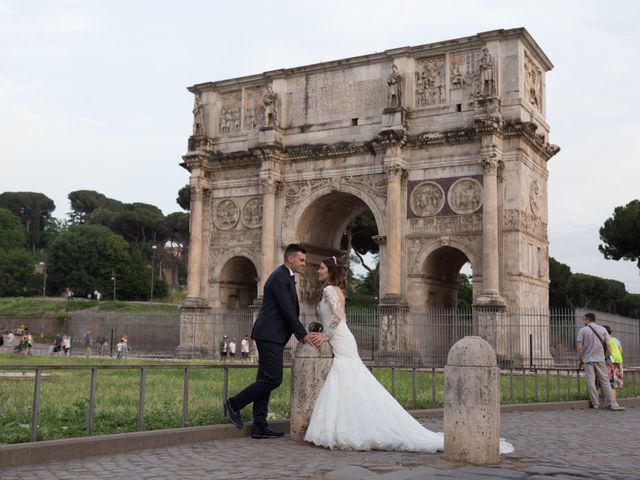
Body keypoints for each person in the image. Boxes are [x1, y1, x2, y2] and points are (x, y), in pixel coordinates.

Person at [304, 256, 513, 453]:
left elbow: (337, 316)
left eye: (321, 267)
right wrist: (325, 332)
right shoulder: (336, 289)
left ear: (330, 271)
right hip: (343, 339)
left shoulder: (330, 290)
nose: (318, 270)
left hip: (341, 339)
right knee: (351, 382)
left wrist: (325, 336)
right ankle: (349, 425)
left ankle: (344, 426)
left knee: (347, 380)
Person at [224, 243, 322, 438]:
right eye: (301, 260)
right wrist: (302, 334)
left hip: (272, 335)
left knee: (264, 379)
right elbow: (287, 309)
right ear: (290, 259)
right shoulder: (279, 277)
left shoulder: (285, 277)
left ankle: (259, 426)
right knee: (273, 379)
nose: (304, 263)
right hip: (269, 335)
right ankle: (233, 403)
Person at [576, 313, 624, 411]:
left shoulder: (582, 330)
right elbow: (609, 345)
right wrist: (610, 358)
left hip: (588, 360)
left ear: (588, 319)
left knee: (591, 381)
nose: (584, 321)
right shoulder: (603, 330)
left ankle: (595, 403)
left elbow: (579, 347)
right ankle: (613, 403)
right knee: (605, 381)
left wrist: (581, 359)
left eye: (584, 319)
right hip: (600, 359)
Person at [603, 325, 624, 402]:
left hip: (610, 363)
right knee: (615, 384)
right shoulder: (616, 340)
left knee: (609, 382)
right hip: (619, 362)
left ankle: (610, 401)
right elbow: (621, 351)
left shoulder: (606, 341)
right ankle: (614, 401)